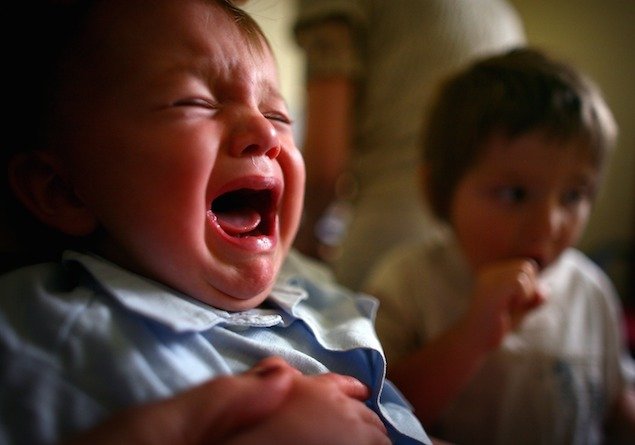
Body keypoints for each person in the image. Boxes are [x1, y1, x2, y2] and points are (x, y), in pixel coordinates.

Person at [0, 1, 430, 444]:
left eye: (278, 115)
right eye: (194, 102)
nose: (264, 134)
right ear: (64, 189)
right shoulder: (50, 333)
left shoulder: (309, 285)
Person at [363, 47, 635, 444]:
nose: (548, 224)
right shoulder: (407, 283)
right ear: (438, 192)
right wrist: (473, 334)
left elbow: (614, 403)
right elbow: (377, 412)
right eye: (514, 194)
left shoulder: (591, 290)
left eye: (573, 196)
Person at [292, 0, 527, 291]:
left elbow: (324, 169)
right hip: (494, 249)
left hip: (391, 245)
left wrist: (302, 238)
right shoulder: (500, 11)